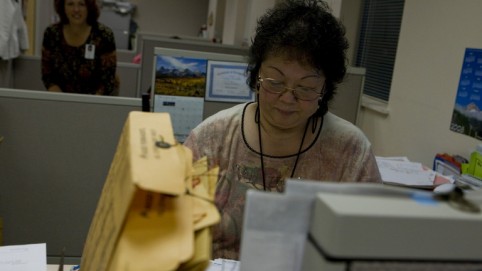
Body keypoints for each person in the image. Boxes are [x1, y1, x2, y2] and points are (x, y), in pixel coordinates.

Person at [183, 0, 382, 260]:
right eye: (275, 82)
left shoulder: (350, 151)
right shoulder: (211, 139)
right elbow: (176, 229)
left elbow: (370, 245)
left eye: (306, 87)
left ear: (325, 89)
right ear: (256, 77)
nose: (288, 99)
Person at [41, 0, 117, 95]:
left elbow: (108, 81)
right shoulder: (51, 34)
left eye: (81, 4)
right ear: (63, 7)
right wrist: (60, 99)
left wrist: (87, 105)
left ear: (89, 7)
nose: (76, 9)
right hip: (60, 101)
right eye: (70, 4)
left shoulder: (103, 35)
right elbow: (48, 75)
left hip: (95, 103)